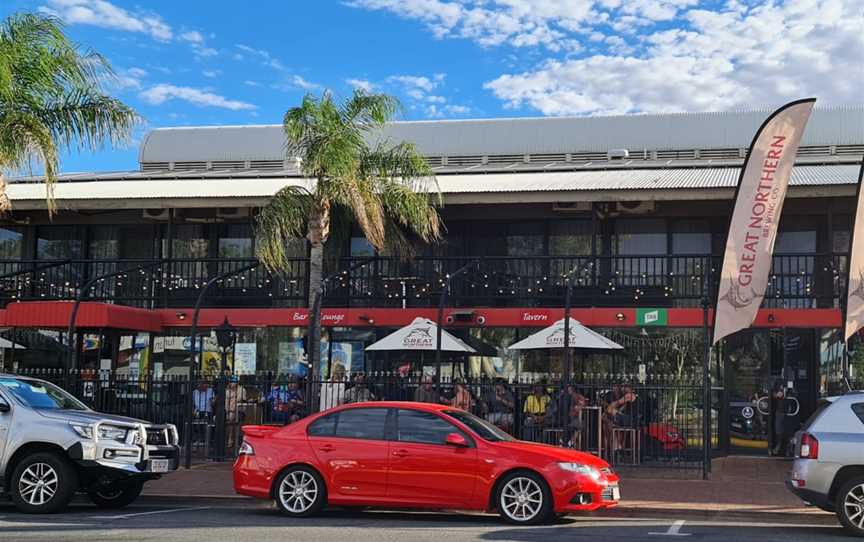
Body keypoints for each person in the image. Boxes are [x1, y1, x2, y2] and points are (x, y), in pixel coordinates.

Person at [224, 375, 247, 449]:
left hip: (240, 410)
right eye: (231, 382)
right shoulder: (227, 391)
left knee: (236, 421)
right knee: (231, 419)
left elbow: (243, 400)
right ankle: (230, 439)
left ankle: (235, 439)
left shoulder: (242, 390)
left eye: (233, 382)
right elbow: (226, 403)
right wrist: (227, 412)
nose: (232, 383)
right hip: (231, 410)